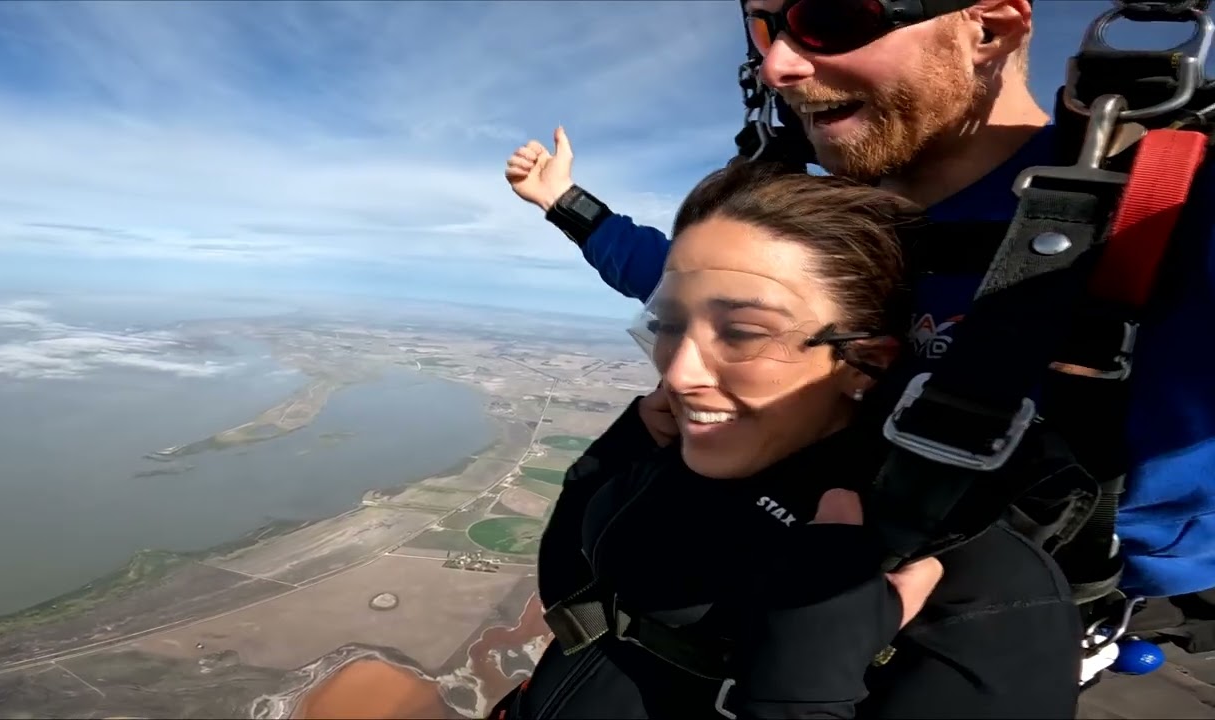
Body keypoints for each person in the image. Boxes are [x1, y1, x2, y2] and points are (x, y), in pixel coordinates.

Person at [504, 0, 1215, 620]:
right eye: (762, 31)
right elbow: (684, 283)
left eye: (829, 17)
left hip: (1030, 613)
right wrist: (568, 205)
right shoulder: (829, 224)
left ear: (991, 30)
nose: (780, 65)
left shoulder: (1169, 209)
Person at [490, 163, 1083, 720]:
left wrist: (800, 694)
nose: (676, 373)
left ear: (864, 362)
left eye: (744, 333)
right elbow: (576, 591)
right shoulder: (681, 453)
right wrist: (617, 452)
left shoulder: (983, 587)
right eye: (670, 324)